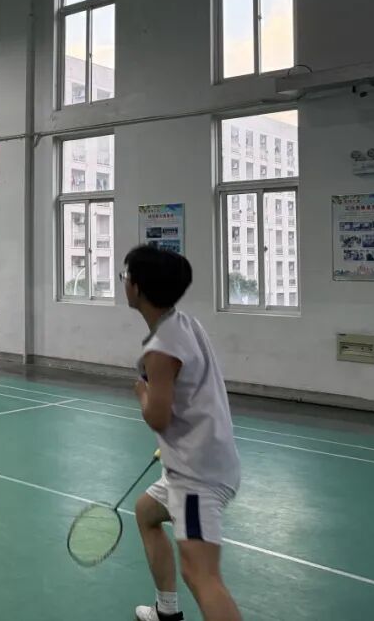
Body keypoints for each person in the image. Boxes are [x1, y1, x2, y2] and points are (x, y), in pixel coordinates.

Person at [122, 245, 242, 621]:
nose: (124, 282)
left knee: (201, 575)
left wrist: (142, 393)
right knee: (146, 512)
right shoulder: (183, 323)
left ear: (137, 287)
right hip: (200, 461)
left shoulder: (161, 350)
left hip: (196, 477)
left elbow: (157, 417)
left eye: (126, 275)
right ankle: (167, 611)